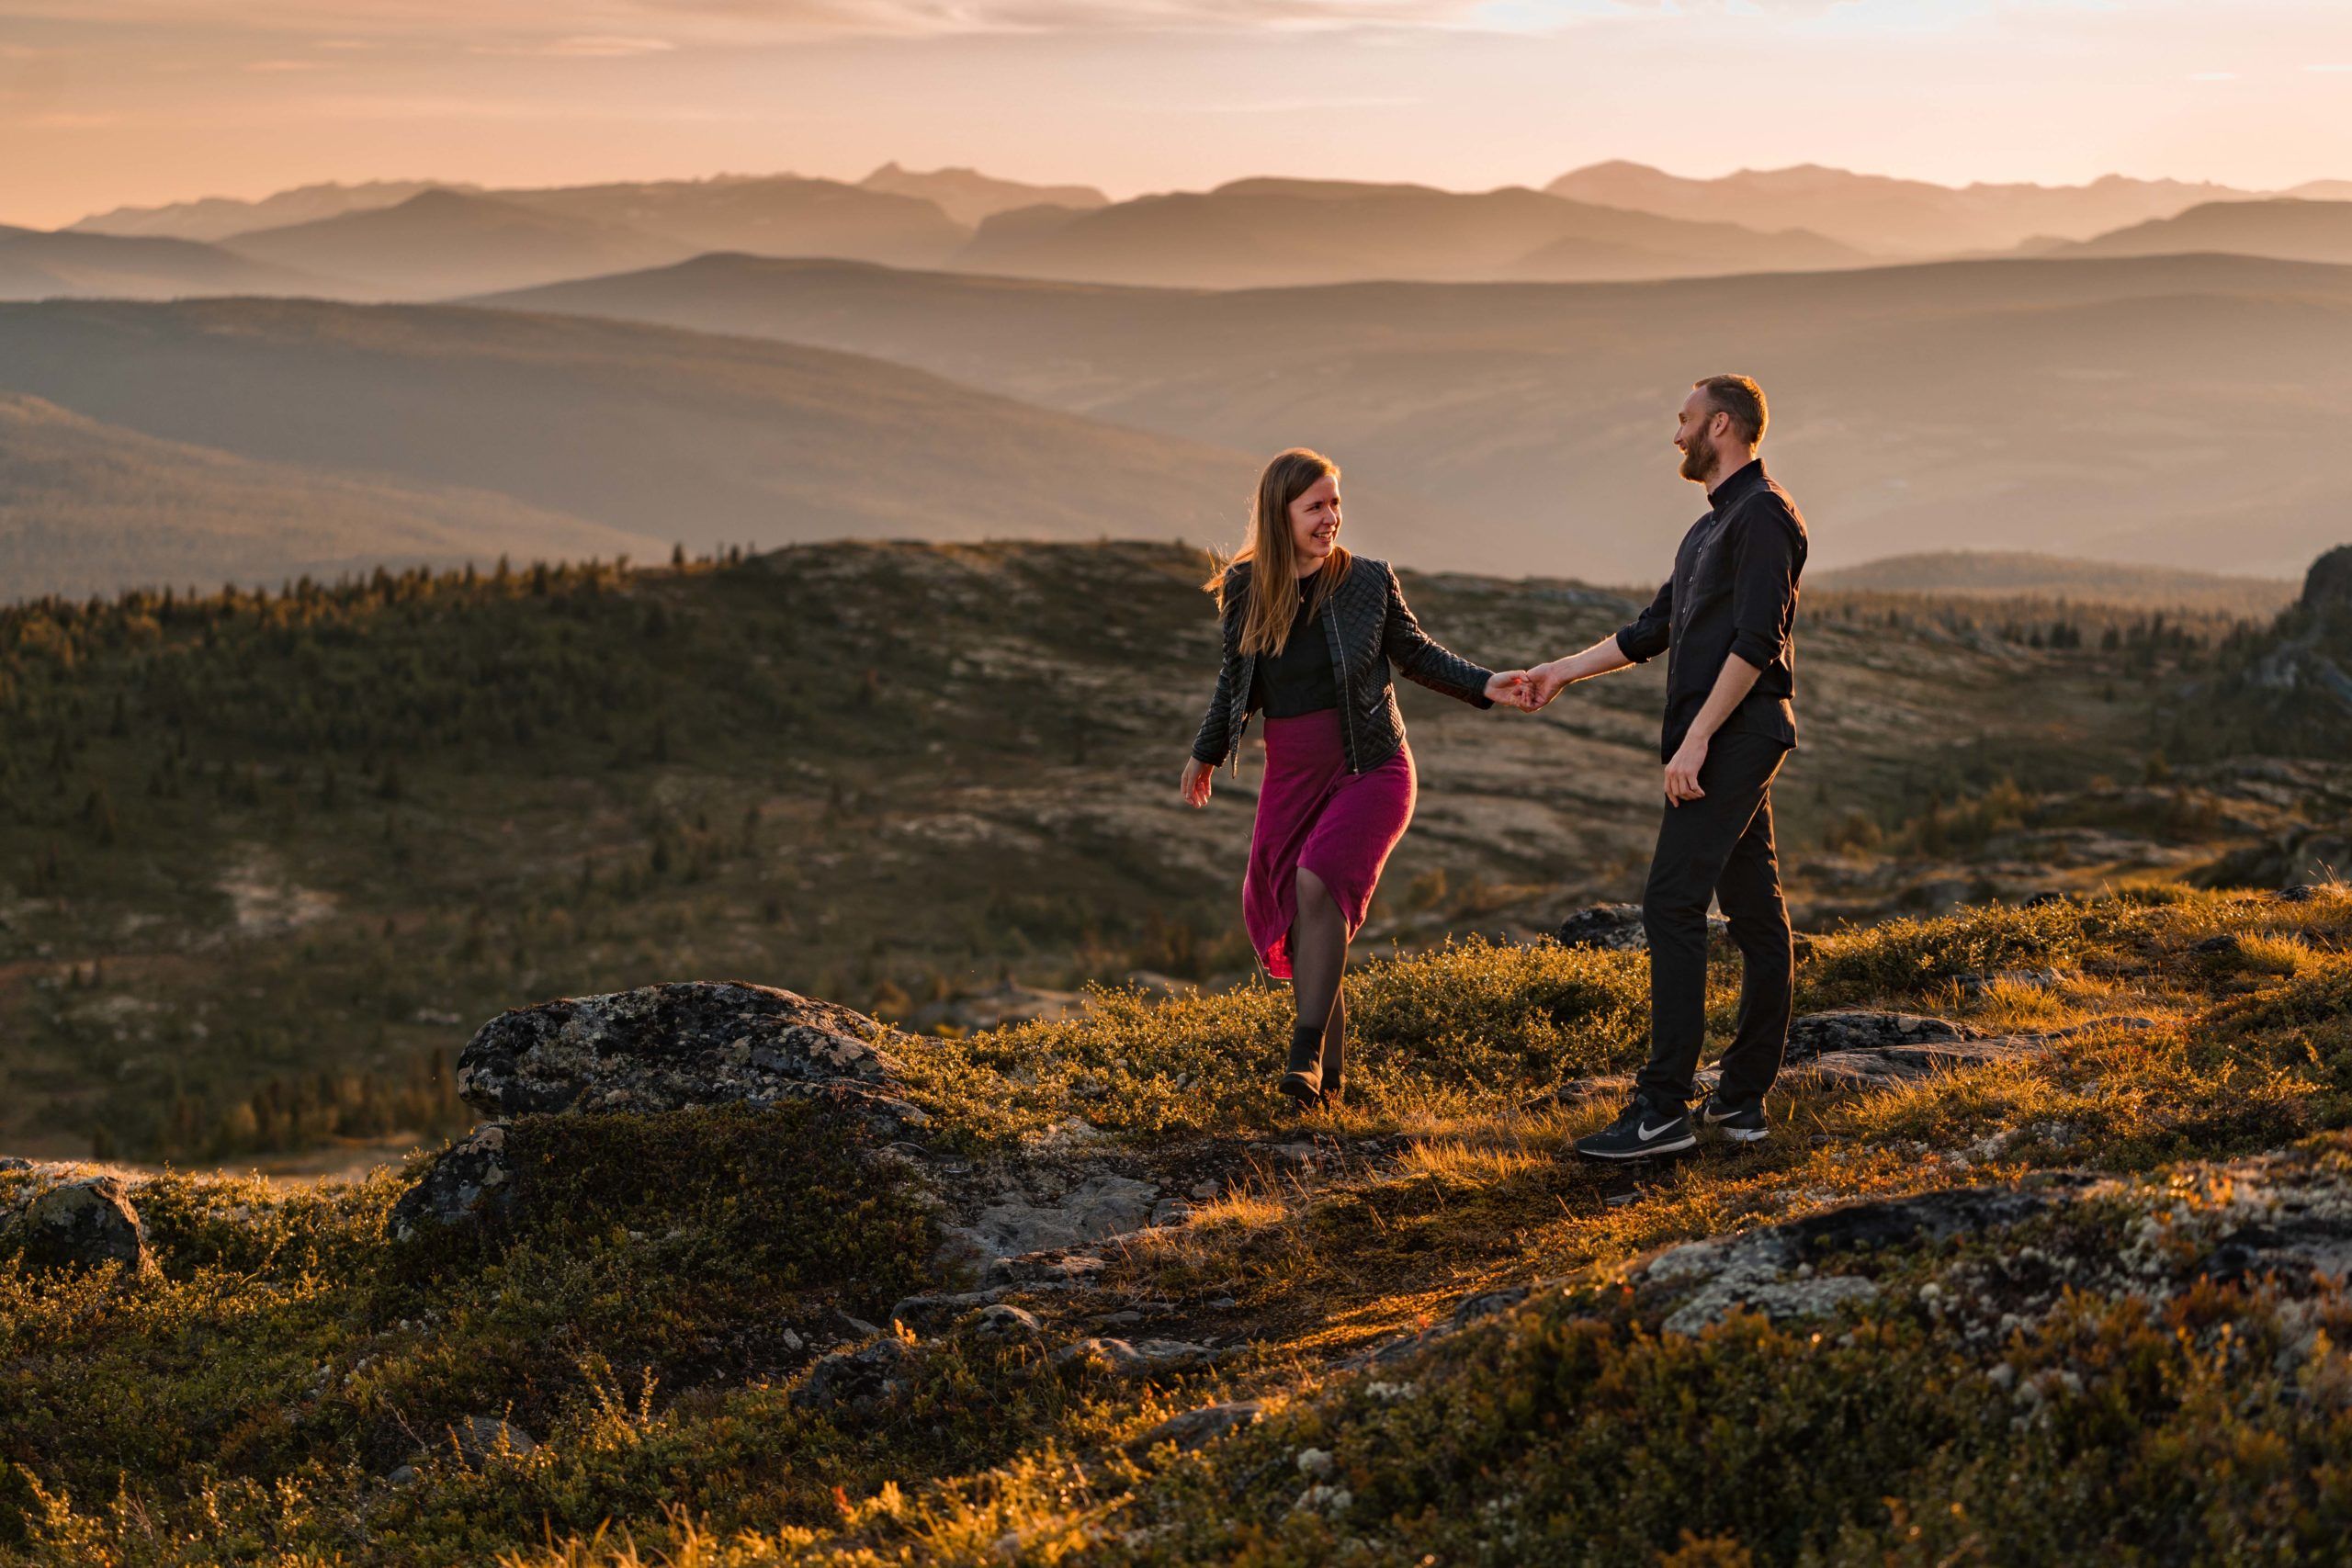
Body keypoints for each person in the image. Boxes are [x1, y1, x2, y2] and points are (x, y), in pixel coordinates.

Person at [1183, 448, 1536, 1110]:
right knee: (1303, 911)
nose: (1331, 519)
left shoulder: (1368, 581)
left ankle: (1304, 1052)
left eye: (1335, 504)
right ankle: (1329, 1092)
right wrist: (1205, 751)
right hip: (1292, 772)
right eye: (1315, 506)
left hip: (1371, 765)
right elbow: (1236, 681)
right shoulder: (1246, 586)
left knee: (1318, 882)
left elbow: (1416, 653)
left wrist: (1488, 685)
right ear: (1279, 512)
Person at [1526, 375, 1808, 1158]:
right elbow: (1650, 630)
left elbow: (1758, 643)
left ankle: (1661, 1111)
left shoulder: (1766, 517)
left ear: (1721, 425)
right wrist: (1558, 671)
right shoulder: (1707, 531)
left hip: (1737, 736)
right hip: (1722, 739)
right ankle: (1742, 1102)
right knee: (1754, 909)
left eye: (1684, 421)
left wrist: (1697, 742)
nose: (1675, 435)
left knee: (1672, 902)